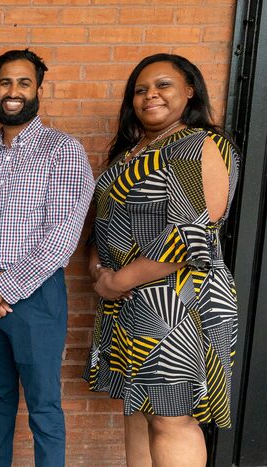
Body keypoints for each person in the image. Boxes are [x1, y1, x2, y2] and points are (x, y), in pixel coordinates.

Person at [85, 53, 240, 467]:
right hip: (130, 301)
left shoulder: (196, 144)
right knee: (138, 410)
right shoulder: (133, 151)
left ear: (190, 90)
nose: (150, 94)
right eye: (140, 89)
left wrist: (119, 280)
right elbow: (104, 215)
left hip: (177, 301)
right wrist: (99, 267)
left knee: (171, 419)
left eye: (163, 85)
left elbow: (189, 232)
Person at [0, 49, 95, 467]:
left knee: (43, 406)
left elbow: (61, 238)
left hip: (35, 299)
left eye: (23, 83)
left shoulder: (63, 151)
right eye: (5, 82)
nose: (13, 91)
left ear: (38, 90)